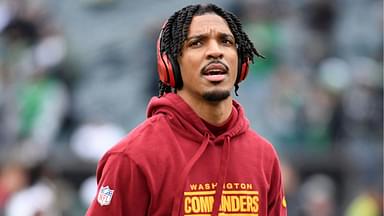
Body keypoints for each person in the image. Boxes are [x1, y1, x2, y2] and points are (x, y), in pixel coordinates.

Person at [86, 3, 287, 216]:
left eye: (226, 41)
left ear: (242, 63)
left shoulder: (264, 156)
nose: (215, 52)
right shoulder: (132, 158)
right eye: (197, 43)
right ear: (170, 63)